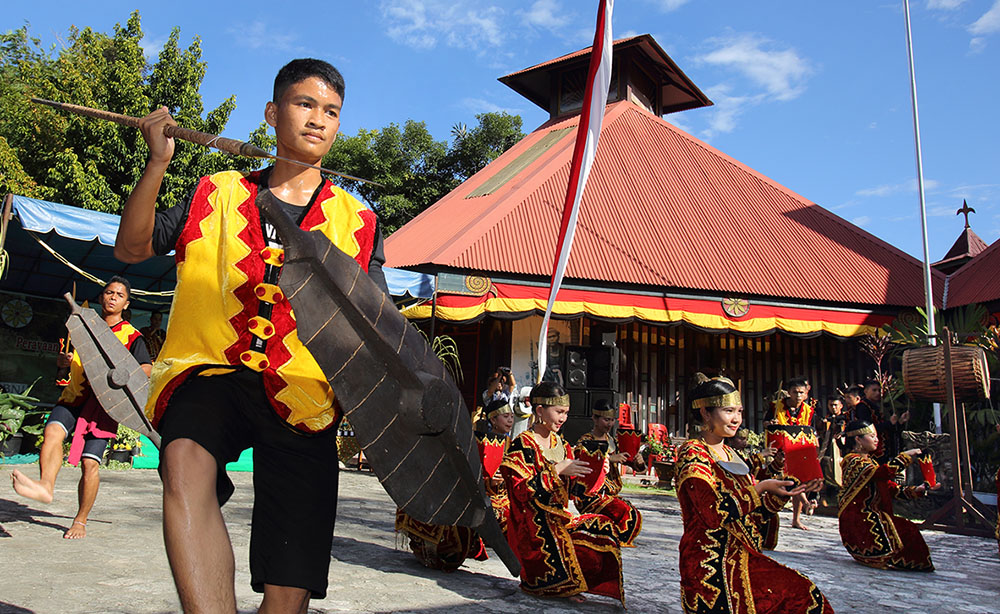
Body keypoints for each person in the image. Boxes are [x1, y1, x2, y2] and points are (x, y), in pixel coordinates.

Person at [114, 59, 389, 612]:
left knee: (288, 593)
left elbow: (374, 323)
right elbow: (132, 249)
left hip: (305, 392)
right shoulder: (214, 191)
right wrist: (156, 163)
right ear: (272, 112)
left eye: (331, 111)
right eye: (304, 104)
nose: (318, 120)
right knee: (185, 458)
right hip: (210, 368)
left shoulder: (358, 220)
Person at [677, 375, 832, 614]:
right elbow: (712, 514)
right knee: (800, 596)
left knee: (805, 596)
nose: (737, 418)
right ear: (706, 413)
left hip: (741, 551)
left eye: (739, 411)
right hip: (710, 560)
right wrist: (760, 488)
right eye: (728, 411)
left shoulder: (731, 453)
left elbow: (755, 515)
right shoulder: (693, 453)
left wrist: (784, 490)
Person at [12, 277, 152, 539]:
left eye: (118, 295)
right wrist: (63, 364)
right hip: (73, 396)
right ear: (101, 298)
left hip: (105, 406)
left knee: (89, 464)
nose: (112, 297)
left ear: (126, 302)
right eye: (108, 292)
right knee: (53, 433)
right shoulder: (81, 327)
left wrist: (124, 374)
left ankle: (81, 520)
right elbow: (67, 369)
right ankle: (45, 485)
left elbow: (145, 369)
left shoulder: (133, 336)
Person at [500, 382, 624, 605]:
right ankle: (551, 583)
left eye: (566, 413)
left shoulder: (563, 444)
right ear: (539, 411)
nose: (563, 418)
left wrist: (598, 471)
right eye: (559, 412)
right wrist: (555, 470)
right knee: (560, 539)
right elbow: (520, 492)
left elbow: (577, 490)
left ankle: (574, 582)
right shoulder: (523, 445)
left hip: (560, 517)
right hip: (534, 525)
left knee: (602, 529)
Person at [837, 420, 937, 571]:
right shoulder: (852, 461)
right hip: (859, 517)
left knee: (909, 529)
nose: (877, 439)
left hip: (872, 513)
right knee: (904, 530)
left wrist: (917, 489)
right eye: (872, 436)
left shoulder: (869, 462)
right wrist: (906, 456)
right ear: (858, 439)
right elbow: (883, 473)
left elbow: (889, 489)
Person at [573, 398, 643, 547]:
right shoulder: (586, 441)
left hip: (610, 493)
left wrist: (638, 462)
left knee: (631, 513)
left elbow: (633, 464)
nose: (610, 424)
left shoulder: (613, 441)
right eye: (606, 420)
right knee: (626, 512)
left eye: (612, 420)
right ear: (595, 418)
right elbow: (584, 461)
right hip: (590, 495)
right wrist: (609, 458)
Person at [765, 377, 819, 529]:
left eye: (801, 392)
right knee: (790, 479)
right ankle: (805, 503)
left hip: (800, 448)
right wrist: (771, 423)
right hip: (782, 448)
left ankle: (797, 517)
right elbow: (766, 423)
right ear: (789, 392)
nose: (798, 395)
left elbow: (811, 430)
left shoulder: (809, 410)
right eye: (795, 392)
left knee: (798, 479)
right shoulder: (776, 406)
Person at [728, 428, 784, 551]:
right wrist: (761, 455)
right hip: (738, 495)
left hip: (753, 492)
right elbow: (741, 469)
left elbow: (760, 475)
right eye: (741, 439)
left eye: (746, 439)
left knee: (772, 516)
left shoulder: (744, 454)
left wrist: (777, 462)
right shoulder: (727, 454)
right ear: (731, 440)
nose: (744, 442)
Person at [854, 379, 907, 463]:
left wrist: (899, 421)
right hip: (873, 450)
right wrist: (889, 423)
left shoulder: (879, 406)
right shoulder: (862, 407)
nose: (878, 393)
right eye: (874, 390)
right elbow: (868, 429)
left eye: (879, 390)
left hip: (884, 448)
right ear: (866, 391)